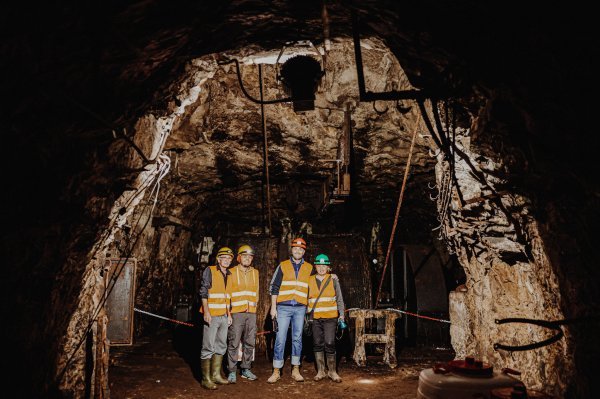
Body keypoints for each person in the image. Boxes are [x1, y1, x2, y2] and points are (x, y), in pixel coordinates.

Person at [267, 237, 313, 383]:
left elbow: (316, 284)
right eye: (295, 248)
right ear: (292, 250)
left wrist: (333, 276)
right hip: (283, 307)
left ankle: (295, 369)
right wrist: (273, 307)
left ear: (304, 251)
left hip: (300, 308)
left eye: (301, 249)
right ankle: (276, 371)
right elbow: (274, 287)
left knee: (297, 339)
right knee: (280, 339)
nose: (298, 250)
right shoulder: (283, 265)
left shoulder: (309, 268)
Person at [199, 247, 234, 390]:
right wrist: (206, 312)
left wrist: (229, 315)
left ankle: (216, 375)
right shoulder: (210, 270)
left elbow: (227, 297)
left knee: (221, 345)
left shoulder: (230, 274)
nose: (226, 260)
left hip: (224, 316)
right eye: (223, 258)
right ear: (218, 259)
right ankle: (205, 379)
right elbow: (204, 291)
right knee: (208, 346)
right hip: (212, 315)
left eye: (229, 258)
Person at [308, 253, 345, 383]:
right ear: (315, 266)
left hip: (331, 318)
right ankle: (321, 371)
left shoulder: (333, 279)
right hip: (316, 319)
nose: (322, 268)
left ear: (328, 267)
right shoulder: (309, 280)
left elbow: (339, 299)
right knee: (317, 343)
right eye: (319, 265)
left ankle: (332, 372)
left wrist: (342, 315)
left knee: (330, 343)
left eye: (324, 265)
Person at [226, 244, 259, 383]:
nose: (247, 259)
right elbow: (227, 295)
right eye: (244, 256)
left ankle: (246, 368)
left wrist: (254, 310)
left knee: (250, 342)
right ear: (239, 258)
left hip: (251, 313)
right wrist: (228, 314)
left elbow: (256, 293)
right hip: (236, 313)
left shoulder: (255, 272)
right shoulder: (231, 272)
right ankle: (232, 371)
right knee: (234, 342)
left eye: (249, 257)